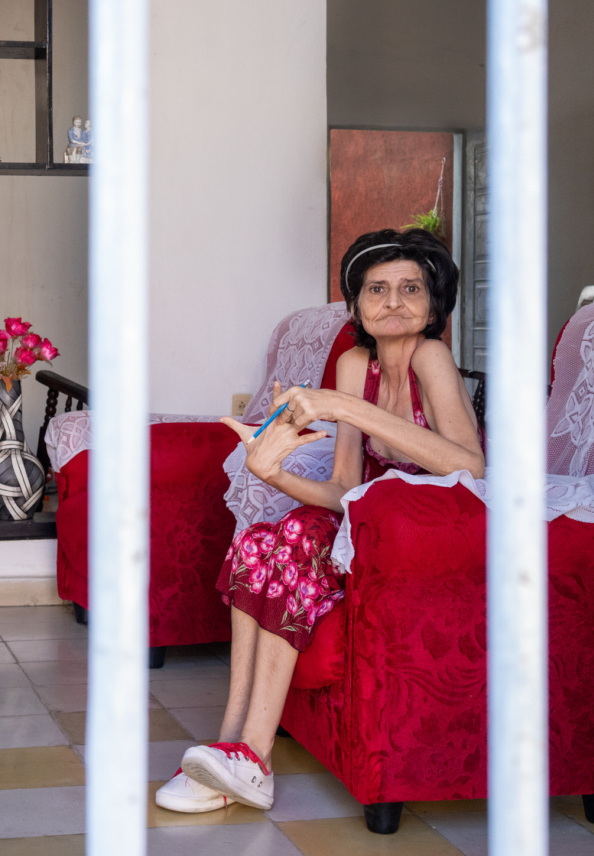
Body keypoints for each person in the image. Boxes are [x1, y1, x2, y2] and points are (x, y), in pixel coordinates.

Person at [155, 228, 484, 813]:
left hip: (437, 527)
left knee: (298, 538)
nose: (393, 301)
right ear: (356, 305)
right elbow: (345, 490)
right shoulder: (357, 364)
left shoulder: (430, 358)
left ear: (435, 304)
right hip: (375, 517)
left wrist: (342, 406)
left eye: (411, 288)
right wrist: (272, 472)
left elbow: (470, 466)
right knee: (260, 540)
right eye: (376, 289)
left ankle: (254, 756)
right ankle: (230, 745)